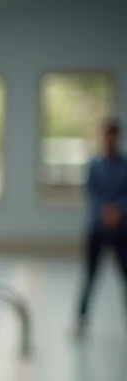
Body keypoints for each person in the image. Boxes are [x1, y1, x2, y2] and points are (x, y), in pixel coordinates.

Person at [74, 117, 127, 339]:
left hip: (121, 230)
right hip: (98, 228)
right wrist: (105, 213)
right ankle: (81, 320)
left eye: (114, 135)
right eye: (108, 135)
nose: (111, 140)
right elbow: (92, 194)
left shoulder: (125, 166)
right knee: (90, 277)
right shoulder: (94, 165)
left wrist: (119, 212)